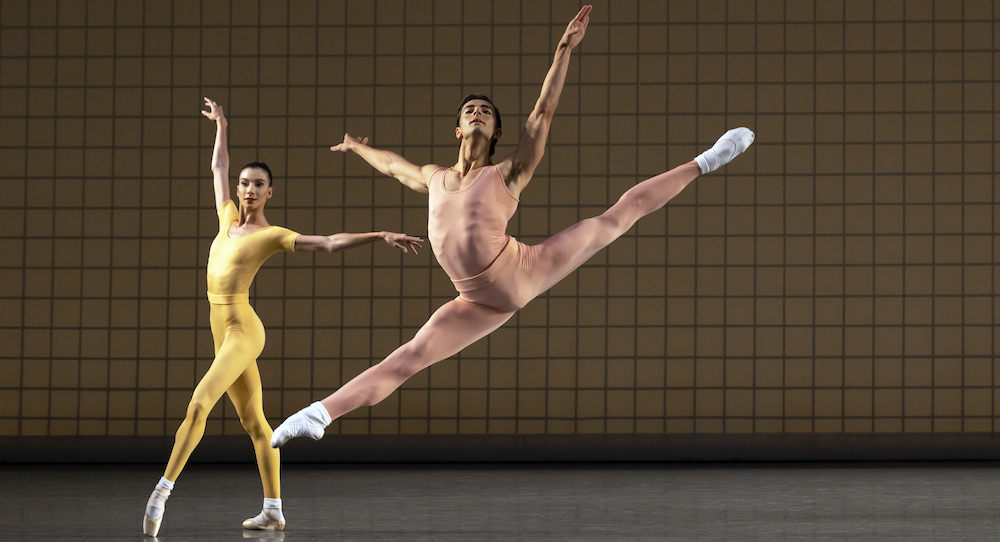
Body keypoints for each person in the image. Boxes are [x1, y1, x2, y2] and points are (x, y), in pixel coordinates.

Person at [270, 5, 753, 448]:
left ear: (496, 132)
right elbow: (393, 165)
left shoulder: (508, 173)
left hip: (521, 271)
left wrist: (564, 50)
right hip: (476, 300)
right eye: (469, 110)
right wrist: (357, 147)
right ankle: (320, 413)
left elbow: (542, 113)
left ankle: (706, 160)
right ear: (458, 129)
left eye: (486, 112)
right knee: (409, 356)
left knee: (615, 218)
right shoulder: (433, 177)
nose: (477, 113)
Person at [142, 98, 422, 537]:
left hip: (243, 330)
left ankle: (162, 490)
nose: (248, 190)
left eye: (258, 184)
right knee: (257, 426)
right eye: (244, 183)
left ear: (270, 192)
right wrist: (223, 125)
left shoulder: (271, 236)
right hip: (222, 332)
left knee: (200, 401)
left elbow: (327, 242)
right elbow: (217, 168)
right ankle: (273, 510)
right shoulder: (227, 219)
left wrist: (378, 234)